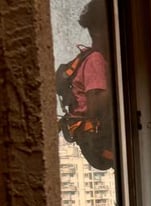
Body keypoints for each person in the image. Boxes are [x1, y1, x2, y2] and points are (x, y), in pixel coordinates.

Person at [60, 0, 114, 170]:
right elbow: (95, 105)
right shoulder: (95, 60)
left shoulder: (90, 57)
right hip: (98, 141)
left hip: (92, 140)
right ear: (98, 31)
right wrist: (121, 86)